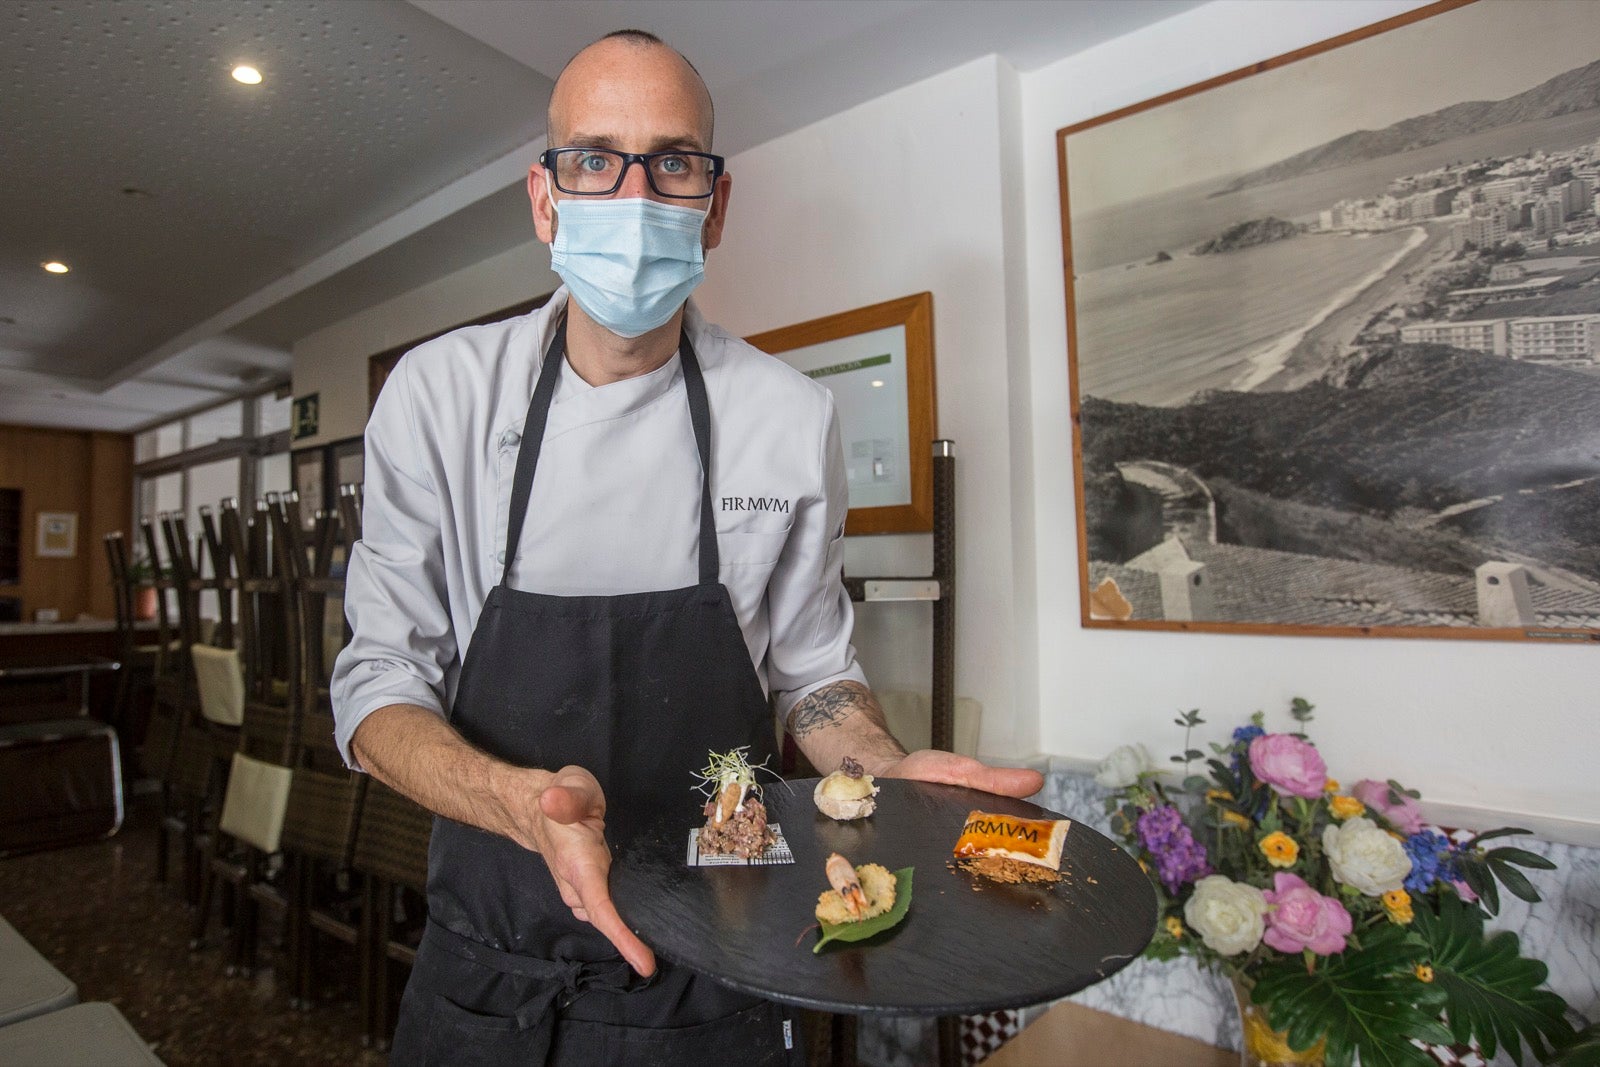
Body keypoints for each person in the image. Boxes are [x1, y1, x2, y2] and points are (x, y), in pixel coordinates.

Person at [330, 28, 1043, 1066]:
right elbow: (377, 681)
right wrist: (518, 803)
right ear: (545, 198)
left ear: (713, 201)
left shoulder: (788, 416)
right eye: (592, 158)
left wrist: (884, 770)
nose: (632, 196)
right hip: (487, 969)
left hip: (720, 965)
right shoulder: (440, 394)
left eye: (671, 161)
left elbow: (811, 674)